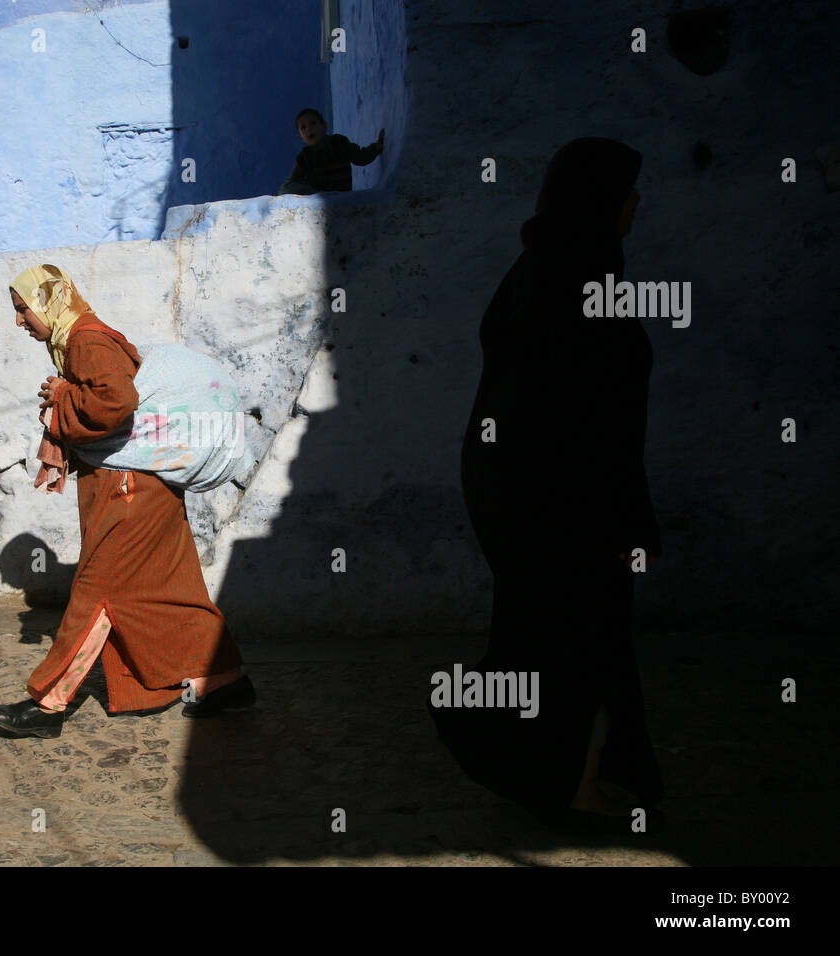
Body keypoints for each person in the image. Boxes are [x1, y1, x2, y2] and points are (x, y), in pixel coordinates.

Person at [431, 138, 666, 831]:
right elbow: (582, 421)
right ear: (600, 201)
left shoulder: (547, 268)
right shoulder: (573, 279)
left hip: (535, 497)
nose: (636, 206)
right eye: (626, 193)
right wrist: (623, 521)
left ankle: (599, 772)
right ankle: (570, 787)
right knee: (575, 647)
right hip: (564, 506)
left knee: (569, 641)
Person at [0, 264, 255, 739]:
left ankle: (48, 705)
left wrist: (63, 393)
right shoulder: (80, 338)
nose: (20, 321)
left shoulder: (86, 340)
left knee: (97, 593)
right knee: (171, 587)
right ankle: (225, 682)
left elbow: (116, 401)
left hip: (126, 489)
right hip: (145, 486)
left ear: (48, 302)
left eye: (23, 309)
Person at [278, 108, 385, 195]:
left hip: (339, 197)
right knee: (287, 187)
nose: (308, 129)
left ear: (324, 126)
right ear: (301, 137)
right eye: (303, 127)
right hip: (318, 196)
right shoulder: (304, 157)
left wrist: (375, 148)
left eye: (313, 123)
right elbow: (294, 181)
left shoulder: (338, 142)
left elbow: (360, 158)